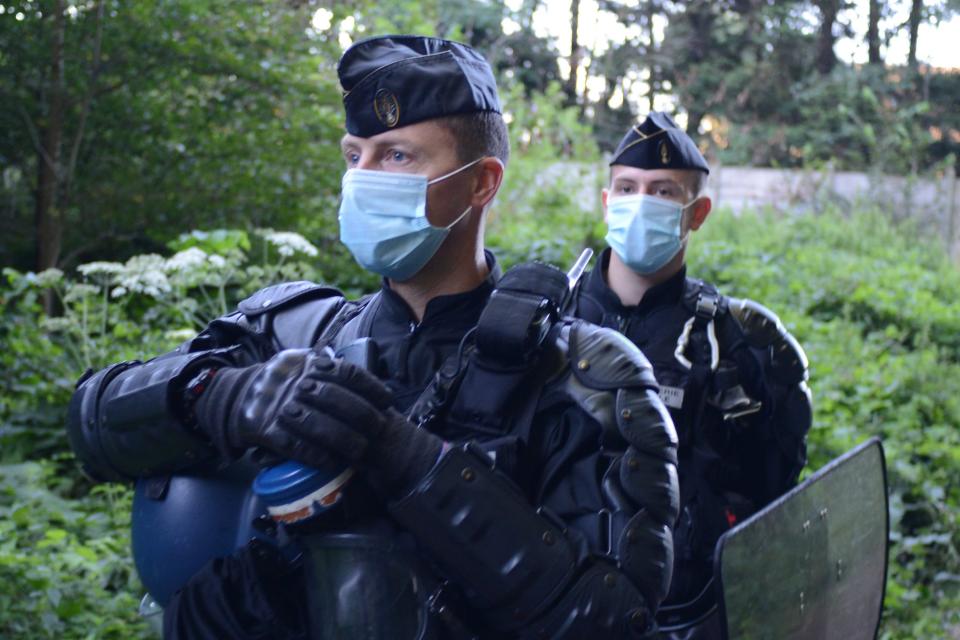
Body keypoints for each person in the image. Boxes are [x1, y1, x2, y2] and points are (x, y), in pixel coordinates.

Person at [67, 37, 681, 639]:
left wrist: (402, 455)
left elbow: (613, 614)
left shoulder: (583, 374)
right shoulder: (291, 330)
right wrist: (217, 396)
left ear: (481, 183)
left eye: (396, 156)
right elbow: (93, 423)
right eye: (353, 154)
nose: (361, 177)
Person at [566, 113, 812, 639]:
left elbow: (769, 494)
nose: (640, 202)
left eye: (662, 192)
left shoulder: (730, 344)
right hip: (556, 600)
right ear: (607, 203)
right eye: (627, 188)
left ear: (696, 213)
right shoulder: (550, 321)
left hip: (681, 613)